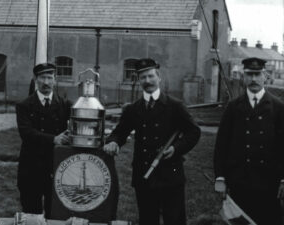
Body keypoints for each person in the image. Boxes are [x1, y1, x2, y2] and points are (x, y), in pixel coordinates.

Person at [103, 58, 200, 225]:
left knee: (174, 220)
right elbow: (119, 133)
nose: (147, 81)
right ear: (138, 80)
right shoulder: (133, 109)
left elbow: (193, 131)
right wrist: (113, 142)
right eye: (143, 78)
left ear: (159, 77)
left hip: (170, 175)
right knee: (148, 220)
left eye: (150, 76)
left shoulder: (174, 106)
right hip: (144, 175)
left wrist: (176, 149)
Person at [214, 57, 284, 225]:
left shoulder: (278, 107)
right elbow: (222, 144)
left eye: (257, 74)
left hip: (268, 182)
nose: (253, 79)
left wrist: (283, 179)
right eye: (249, 74)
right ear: (243, 77)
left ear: (265, 76)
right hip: (239, 180)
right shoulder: (233, 107)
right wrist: (221, 177)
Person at [15, 62, 71, 217]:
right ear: (35, 79)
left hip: (56, 168)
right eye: (42, 78)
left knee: (56, 214)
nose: (46, 82)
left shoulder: (65, 105)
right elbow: (26, 133)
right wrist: (54, 139)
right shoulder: (24, 106)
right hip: (31, 169)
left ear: (55, 79)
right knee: (31, 214)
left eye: (49, 77)